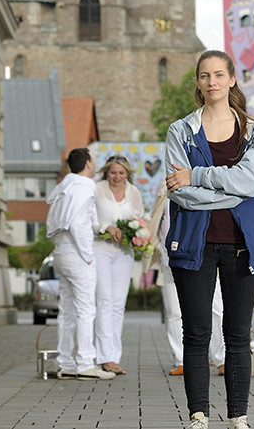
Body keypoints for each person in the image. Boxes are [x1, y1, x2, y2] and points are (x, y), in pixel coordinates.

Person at [165, 50, 254, 429]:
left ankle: (237, 417)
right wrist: (234, 187)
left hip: (242, 243)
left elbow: (251, 182)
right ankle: (198, 416)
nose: (211, 82)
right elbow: (179, 194)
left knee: (237, 335)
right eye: (204, 76)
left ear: (231, 79)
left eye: (218, 75)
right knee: (196, 334)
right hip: (194, 242)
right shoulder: (180, 131)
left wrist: (196, 176)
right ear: (197, 82)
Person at [46, 148, 116, 381]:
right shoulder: (85, 186)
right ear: (87, 163)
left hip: (60, 251)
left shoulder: (64, 186)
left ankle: (65, 362)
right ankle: (86, 363)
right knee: (86, 309)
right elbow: (77, 223)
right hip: (77, 254)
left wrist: (102, 228)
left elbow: (82, 221)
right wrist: (87, 255)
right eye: (93, 159)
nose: (94, 163)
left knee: (66, 310)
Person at [148, 183, 226, 377]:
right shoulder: (164, 191)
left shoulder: (204, 186)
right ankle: (181, 359)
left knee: (216, 308)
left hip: (203, 258)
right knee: (174, 311)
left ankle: (221, 358)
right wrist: (157, 247)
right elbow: (156, 222)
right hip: (169, 260)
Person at [93, 155, 144, 375]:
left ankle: (113, 356)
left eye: (121, 173)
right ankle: (104, 357)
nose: (117, 177)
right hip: (100, 250)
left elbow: (140, 219)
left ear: (127, 174)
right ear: (106, 172)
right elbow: (90, 218)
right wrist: (106, 227)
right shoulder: (97, 189)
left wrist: (134, 231)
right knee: (104, 301)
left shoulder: (134, 192)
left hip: (124, 252)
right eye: (113, 172)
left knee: (117, 304)